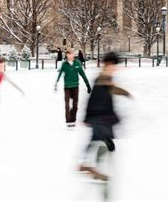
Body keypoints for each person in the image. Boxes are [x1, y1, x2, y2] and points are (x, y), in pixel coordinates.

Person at [78, 52, 132, 181]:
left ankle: (88, 165)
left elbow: (111, 89)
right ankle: (93, 166)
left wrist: (125, 93)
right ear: (109, 64)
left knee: (95, 140)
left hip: (100, 116)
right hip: (100, 117)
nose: (116, 68)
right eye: (114, 65)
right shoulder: (102, 78)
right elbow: (96, 98)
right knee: (103, 141)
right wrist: (89, 116)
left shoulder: (105, 78)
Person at [55, 48, 91, 128]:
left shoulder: (77, 63)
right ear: (67, 55)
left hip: (75, 87)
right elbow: (60, 74)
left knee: (75, 105)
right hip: (67, 87)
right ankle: (68, 121)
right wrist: (56, 83)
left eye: (71, 53)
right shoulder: (64, 64)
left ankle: (73, 119)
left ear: (73, 54)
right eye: (68, 54)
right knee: (67, 105)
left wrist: (88, 85)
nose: (70, 55)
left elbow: (82, 74)